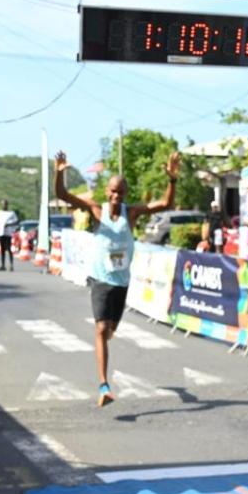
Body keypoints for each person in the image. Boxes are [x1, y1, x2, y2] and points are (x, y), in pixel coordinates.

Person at [55, 149, 181, 407]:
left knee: (110, 330)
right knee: (101, 329)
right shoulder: (95, 210)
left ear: (124, 194)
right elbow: (62, 195)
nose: (115, 196)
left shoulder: (131, 213)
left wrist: (172, 179)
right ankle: (104, 385)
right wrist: (59, 174)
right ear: (106, 192)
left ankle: (105, 350)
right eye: (112, 191)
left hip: (121, 281)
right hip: (100, 279)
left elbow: (165, 205)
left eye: (120, 192)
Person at [0, 200, 19, 272]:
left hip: (8, 233)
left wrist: (9, 224)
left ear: (7, 205)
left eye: (5, 204)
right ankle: (3, 265)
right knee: (2, 249)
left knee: (9, 248)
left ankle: (11, 265)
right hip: (1, 233)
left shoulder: (11, 213)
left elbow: (16, 221)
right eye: (2, 204)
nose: (4, 205)